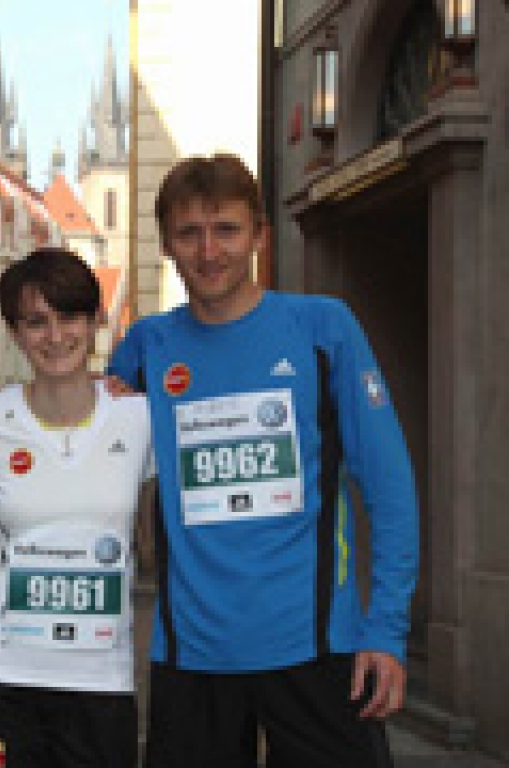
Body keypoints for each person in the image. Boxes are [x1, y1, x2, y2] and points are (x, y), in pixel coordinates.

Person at [106, 154, 419, 767]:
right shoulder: (145, 348)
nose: (208, 250)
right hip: (190, 658)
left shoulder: (323, 329)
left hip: (318, 649)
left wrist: (385, 629)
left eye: (226, 229)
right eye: (189, 232)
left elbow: (390, 489)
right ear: (166, 243)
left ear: (258, 235)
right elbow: (62, 419)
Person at [0, 248, 156, 768]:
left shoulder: (140, 419)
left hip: (101, 682)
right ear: (15, 333)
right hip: (1, 677)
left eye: (69, 317)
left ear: (94, 321)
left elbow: (151, 545)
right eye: (36, 322)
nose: (55, 336)